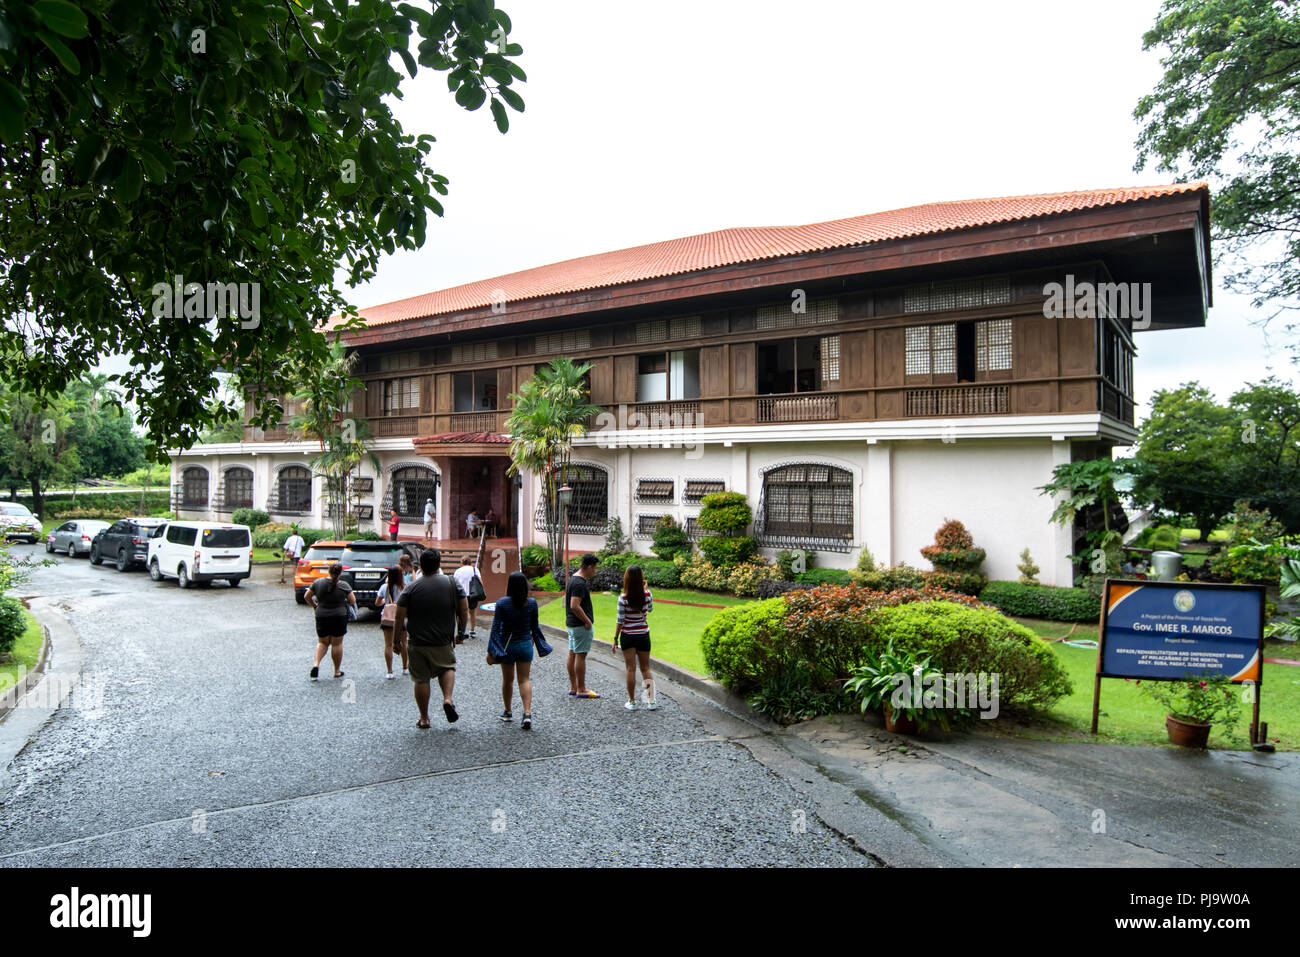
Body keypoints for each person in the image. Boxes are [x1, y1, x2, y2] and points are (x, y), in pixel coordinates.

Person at [393, 548, 468, 729]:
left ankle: (424, 718)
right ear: (438, 564)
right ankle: (448, 699)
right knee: (447, 667)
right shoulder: (452, 583)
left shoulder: (411, 588)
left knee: (420, 679)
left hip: (417, 641)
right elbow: (463, 609)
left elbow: (399, 615)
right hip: (443, 639)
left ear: (421, 566)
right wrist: (461, 632)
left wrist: (396, 640)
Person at [488, 571, 544, 729]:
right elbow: (535, 627)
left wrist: (491, 650)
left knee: (508, 680)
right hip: (525, 644)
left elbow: (495, 629)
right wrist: (532, 644)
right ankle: (527, 713)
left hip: (507, 646)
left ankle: (508, 711)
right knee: (524, 679)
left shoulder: (502, 603)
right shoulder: (532, 603)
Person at [612, 565, 657, 710]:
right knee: (645, 668)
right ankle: (651, 701)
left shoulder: (623, 598)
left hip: (628, 636)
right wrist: (645, 590)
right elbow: (649, 609)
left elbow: (620, 620)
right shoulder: (647, 594)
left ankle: (632, 701)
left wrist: (615, 638)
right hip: (643, 634)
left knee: (630, 669)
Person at [305, 563, 356, 681]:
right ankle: (336, 671)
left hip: (321, 615)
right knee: (336, 644)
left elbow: (307, 596)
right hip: (339, 616)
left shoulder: (318, 583)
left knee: (322, 642)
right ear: (340, 573)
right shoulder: (344, 585)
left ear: (329, 571)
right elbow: (352, 600)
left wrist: (315, 605)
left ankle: (316, 665)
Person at [565, 553, 600, 698]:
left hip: (572, 624)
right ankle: (581, 688)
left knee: (572, 653)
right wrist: (587, 621)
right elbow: (574, 605)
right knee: (580, 656)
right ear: (589, 567)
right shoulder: (579, 583)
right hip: (580, 625)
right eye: (595, 568)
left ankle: (574, 686)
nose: (595, 571)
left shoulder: (573, 579)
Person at [375, 565, 409, 679]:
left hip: (387, 618)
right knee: (404, 643)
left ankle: (389, 671)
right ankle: (405, 668)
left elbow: (377, 603)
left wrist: (386, 601)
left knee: (388, 644)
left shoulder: (385, 587)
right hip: (401, 617)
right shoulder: (404, 587)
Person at [452, 555, 483, 641]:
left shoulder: (457, 571)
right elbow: (480, 581)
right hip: (472, 594)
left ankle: (460, 630)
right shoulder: (474, 569)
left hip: (461, 594)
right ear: (470, 562)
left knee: (460, 613)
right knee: (472, 612)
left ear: (461, 562)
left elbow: (454, 583)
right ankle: (472, 630)